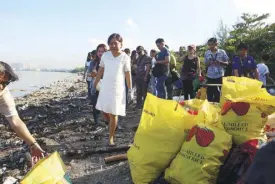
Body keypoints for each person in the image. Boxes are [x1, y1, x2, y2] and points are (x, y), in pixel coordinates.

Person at [0, 61, 44, 166]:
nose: (2, 87)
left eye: (5, 83)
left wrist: (33, 144)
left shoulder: (3, 95)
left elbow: (15, 121)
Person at [94, 33, 132, 146]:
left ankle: (111, 138)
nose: (113, 45)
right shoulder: (105, 55)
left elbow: (128, 74)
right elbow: (100, 70)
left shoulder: (125, 57)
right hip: (105, 87)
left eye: (116, 43)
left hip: (117, 89)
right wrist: (95, 83)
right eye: (111, 43)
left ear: (121, 44)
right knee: (103, 109)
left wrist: (130, 90)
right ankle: (110, 123)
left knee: (114, 113)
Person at [87, 44, 108, 125]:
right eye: (99, 51)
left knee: (105, 105)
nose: (100, 53)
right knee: (96, 105)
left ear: (106, 52)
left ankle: (108, 121)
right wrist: (93, 74)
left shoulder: (109, 62)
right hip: (95, 86)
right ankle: (97, 122)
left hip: (106, 87)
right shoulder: (93, 62)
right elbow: (88, 74)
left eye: (102, 51)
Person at [204, 37, 229, 103]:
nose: (210, 46)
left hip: (219, 75)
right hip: (210, 76)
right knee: (209, 94)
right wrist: (209, 63)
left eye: (212, 44)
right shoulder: (207, 53)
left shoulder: (222, 52)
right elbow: (205, 64)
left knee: (218, 94)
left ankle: (218, 109)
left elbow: (227, 63)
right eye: (209, 45)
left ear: (216, 44)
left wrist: (220, 62)